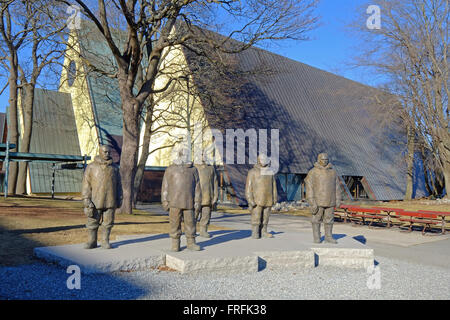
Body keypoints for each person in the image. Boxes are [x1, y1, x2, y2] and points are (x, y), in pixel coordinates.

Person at [81, 145, 121, 249]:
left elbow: (119, 185)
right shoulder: (91, 167)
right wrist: (86, 199)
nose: (107, 154)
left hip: (110, 200)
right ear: (100, 152)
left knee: (108, 223)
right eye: (105, 152)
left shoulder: (115, 168)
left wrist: (119, 198)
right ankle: (92, 241)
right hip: (95, 201)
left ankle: (105, 240)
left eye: (109, 152)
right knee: (92, 222)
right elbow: (86, 184)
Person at [161, 150, 202, 251]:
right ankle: (175, 243)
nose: (184, 156)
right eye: (182, 154)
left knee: (190, 223)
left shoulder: (193, 170)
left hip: (189, 202)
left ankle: (191, 242)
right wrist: (164, 200)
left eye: (186, 155)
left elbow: (197, 187)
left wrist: (197, 201)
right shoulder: (170, 169)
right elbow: (165, 186)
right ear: (179, 155)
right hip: (174, 202)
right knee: (174, 223)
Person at [305, 153, 341, 244]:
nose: (325, 161)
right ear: (318, 160)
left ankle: (328, 236)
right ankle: (317, 237)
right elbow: (309, 187)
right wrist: (311, 201)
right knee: (316, 220)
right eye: (323, 159)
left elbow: (337, 187)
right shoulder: (313, 172)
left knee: (329, 219)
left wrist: (338, 199)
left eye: (326, 160)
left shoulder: (333, 172)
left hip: (330, 200)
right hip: (318, 201)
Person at [245, 154, 277, 239]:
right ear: (258, 160)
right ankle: (255, 232)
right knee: (256, 216)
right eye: (262, 159)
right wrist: (250, 199)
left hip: (268, 199)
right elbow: (248, 188)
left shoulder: (270, 172)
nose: (263, 161)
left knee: (266, 217)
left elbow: (273, 186)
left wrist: (275, 197)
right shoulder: (252, 172)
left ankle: (264, 231)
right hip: (257, 199)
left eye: (265, 159)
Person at [195, 159, 218, 238]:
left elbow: (215, 183)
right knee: (194, 215)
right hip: (196, 197)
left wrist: (215, 196)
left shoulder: (211, 168)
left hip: (208, 196)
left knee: (206, 215)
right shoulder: (194, 167)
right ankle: (192, 230)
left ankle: (203, 230)